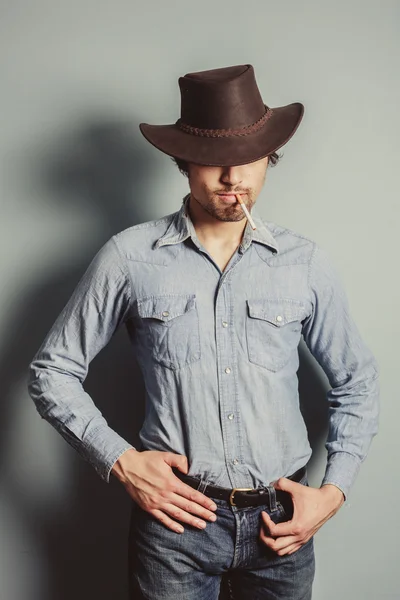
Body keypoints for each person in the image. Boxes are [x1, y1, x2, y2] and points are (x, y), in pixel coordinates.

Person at [27, 64, 380, 600]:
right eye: (214, 161)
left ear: (268, 160)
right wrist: (120, 461)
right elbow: (52, 373)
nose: (232, 177)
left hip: (281, 524)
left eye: (248, 160)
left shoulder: (304, 264)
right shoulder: (128, 257)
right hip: (174, 526)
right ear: (183, 161)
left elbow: (357, 380)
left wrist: (333, 492)